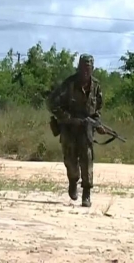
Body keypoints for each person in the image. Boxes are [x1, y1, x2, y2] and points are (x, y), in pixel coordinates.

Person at [47, 54, 106, 207]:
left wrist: (97, 123)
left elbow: (98, 108)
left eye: (89, 68)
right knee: (70, 160)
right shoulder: (69, 84)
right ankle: (73, 180)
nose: (86, 72)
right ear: (79, 68)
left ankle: (86, 193)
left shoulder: (96, 86)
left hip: (86, 129)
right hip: (69, 128)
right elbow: (52, 103)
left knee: (87, 159)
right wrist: (68, 118)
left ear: (92, 69)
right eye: (83, 68)